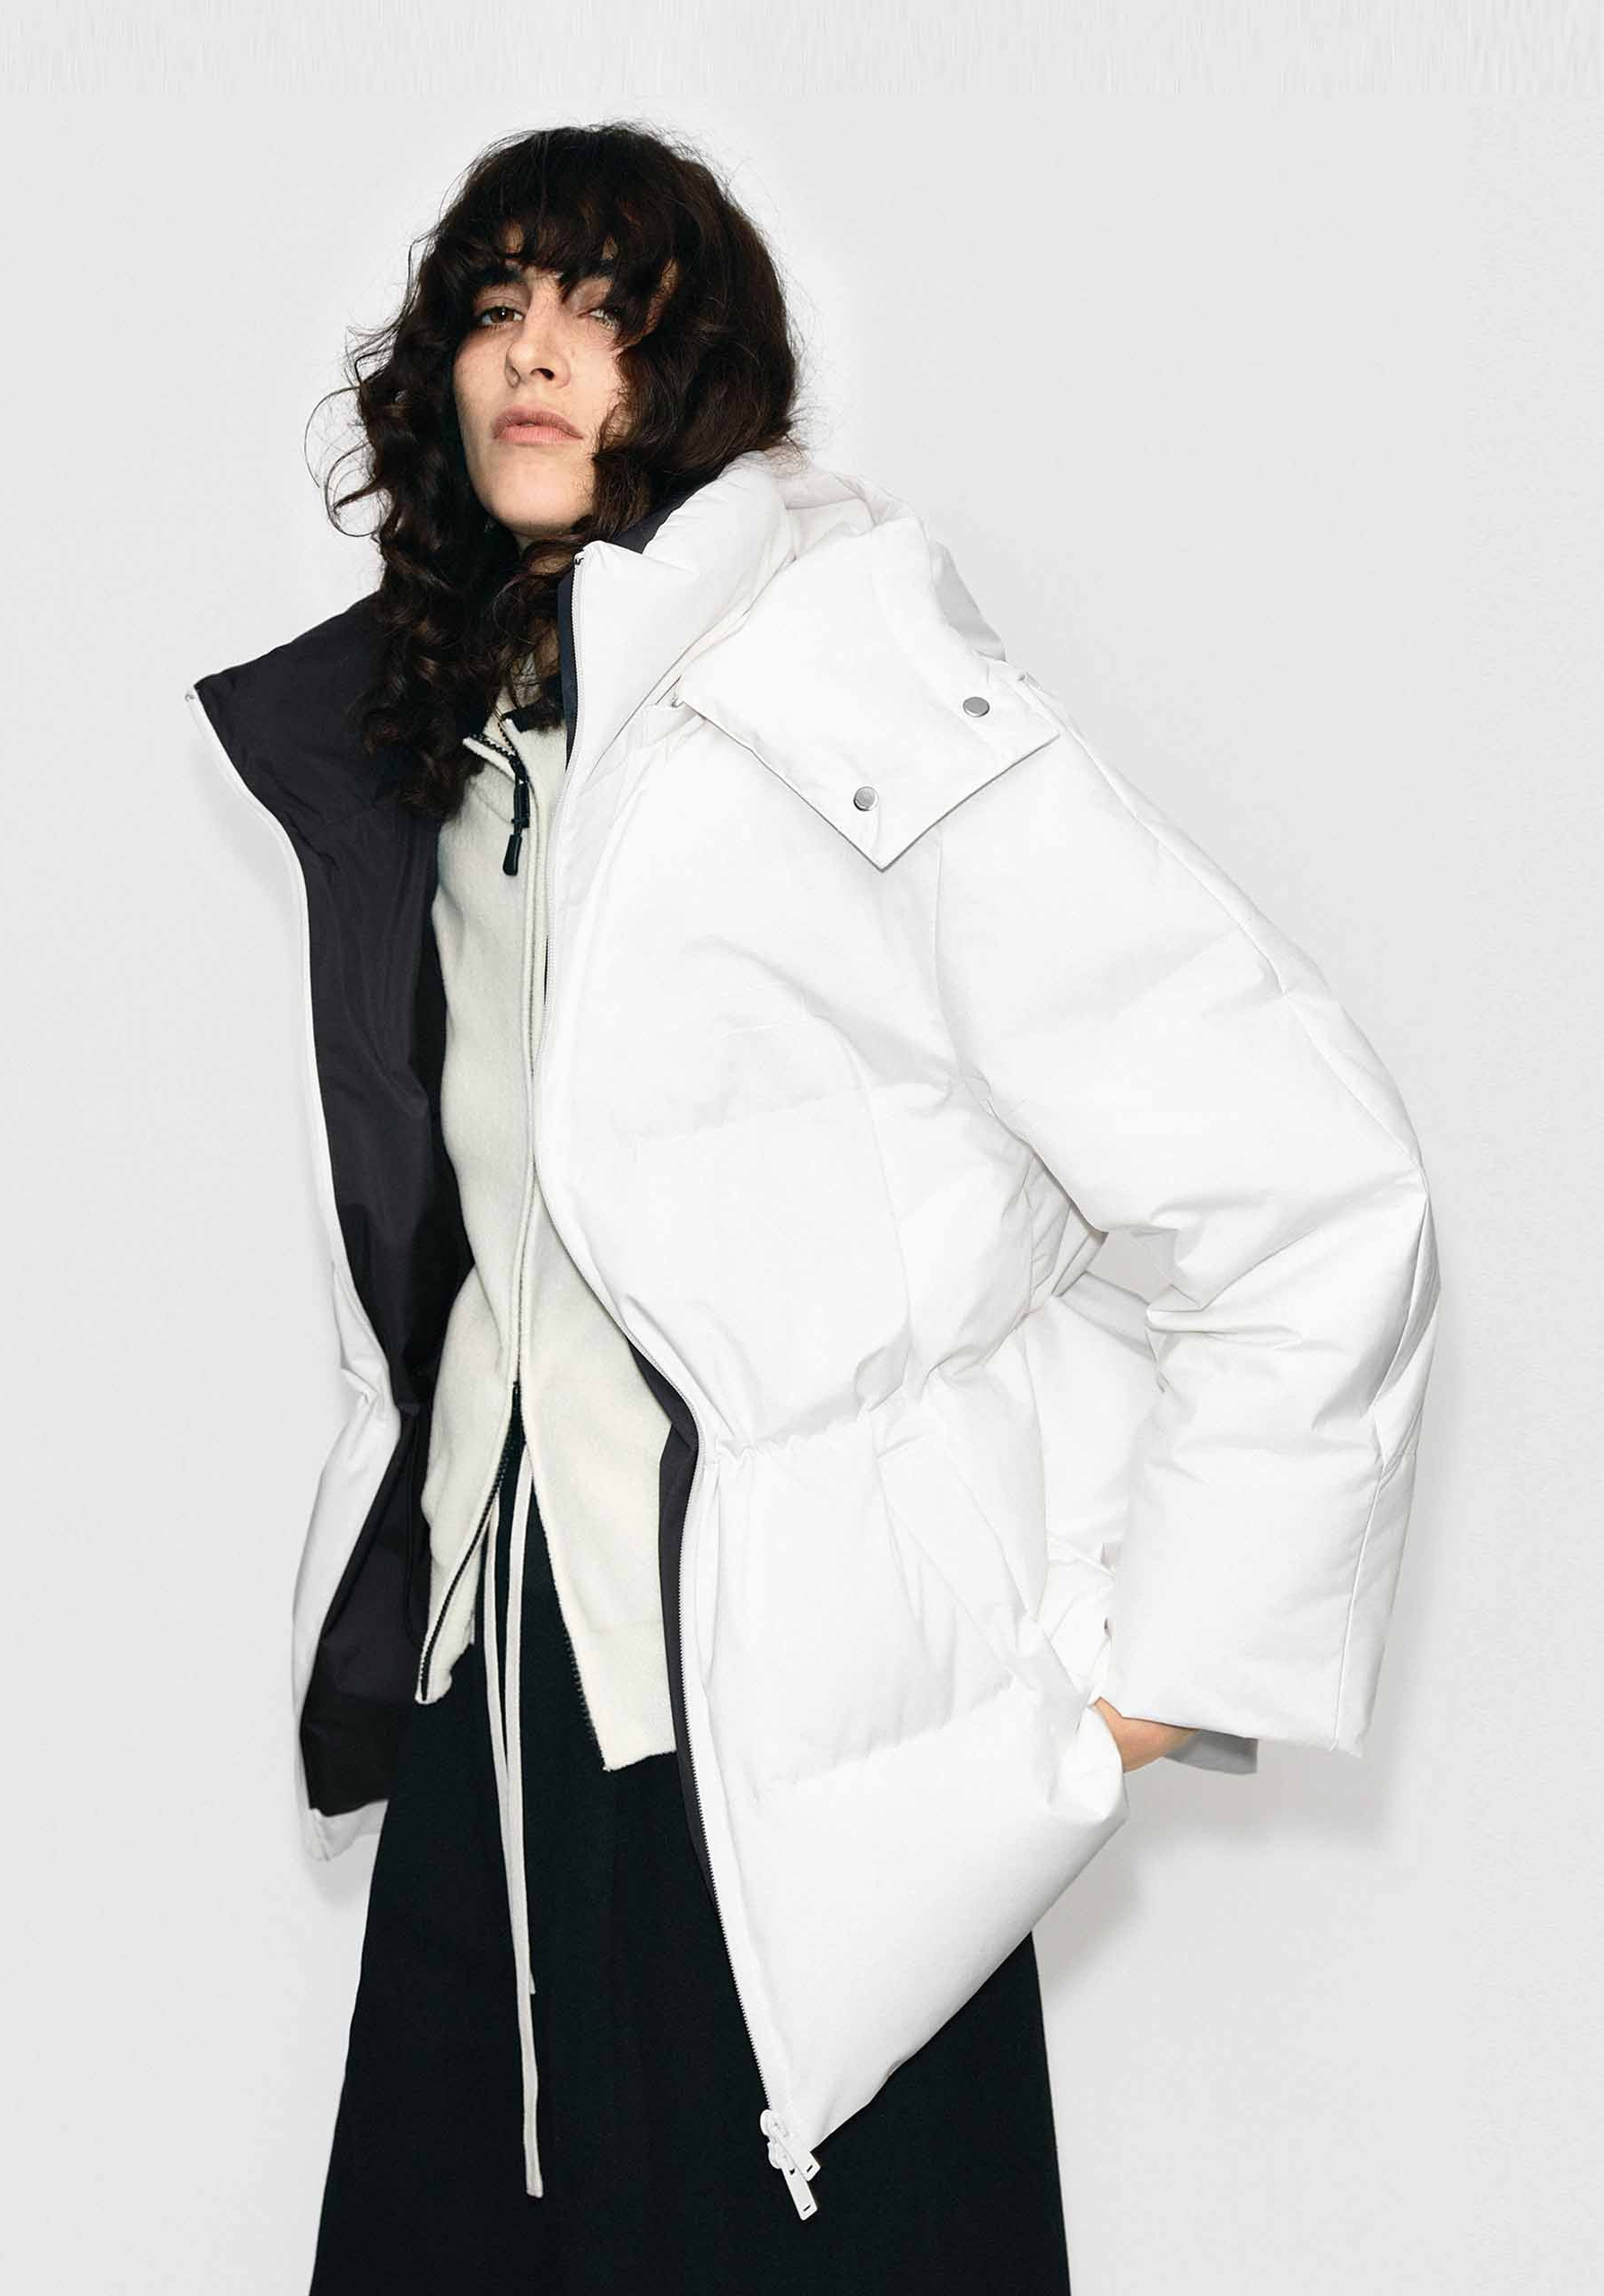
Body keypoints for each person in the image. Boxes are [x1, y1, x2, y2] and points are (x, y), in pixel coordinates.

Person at [186, 121, 1441, 2293]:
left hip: (780, 1739)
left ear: (703, 372)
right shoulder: (459, 753)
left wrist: (1144, 1683)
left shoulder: (846, 691)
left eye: (601, 309)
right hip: (503, 1715)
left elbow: (1311, 1183)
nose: (533, 355)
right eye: (494, 307)